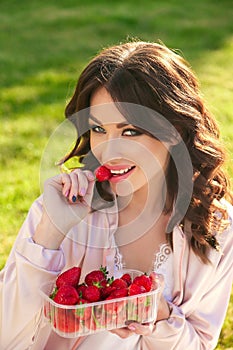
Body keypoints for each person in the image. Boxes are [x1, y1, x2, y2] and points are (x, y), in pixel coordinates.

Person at [0, 41, 232, 350]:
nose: (109, 150)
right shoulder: (59, 209)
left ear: (174, 130)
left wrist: (160, 317)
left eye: (130, 132)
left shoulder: (216, 224)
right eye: (98, 130)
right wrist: (50, 234)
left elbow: (200, 344)